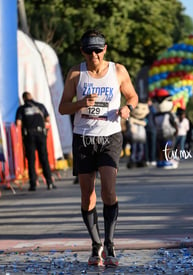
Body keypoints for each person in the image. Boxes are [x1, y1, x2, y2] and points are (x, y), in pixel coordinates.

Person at [58, 29, 138, 267]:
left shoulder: (118, 71)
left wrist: (128, 109)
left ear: (105, 49)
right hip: (83, 137)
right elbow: (62, 107)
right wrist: (81, 103)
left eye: (98, 50)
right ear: (83, 51)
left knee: (109, 191)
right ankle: (96, 245)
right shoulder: (75, 73)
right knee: (87, 194)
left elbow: (133, 96)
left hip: (109, 136)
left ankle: (110, 244)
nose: (94, 55)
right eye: (89, 50)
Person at [16, 92, 56, 191]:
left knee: (31, 160)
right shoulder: (40, 106)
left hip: (29, 136)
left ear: (23, 99)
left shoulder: (21, 109)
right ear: (31, 97)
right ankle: (49, 182)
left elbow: (18, 123)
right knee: (44, 159)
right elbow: (48, 119)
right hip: (41, 135)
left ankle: (33, 184)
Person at [145, 97, 157, 167]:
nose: (148, 103)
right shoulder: (144, 108)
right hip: (146, 128)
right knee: (146, 145)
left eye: (149, 102)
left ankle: (152, 159)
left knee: (153, 145)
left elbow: (155, 115)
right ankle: (147, 159)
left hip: (153, 128)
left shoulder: (153, 108)